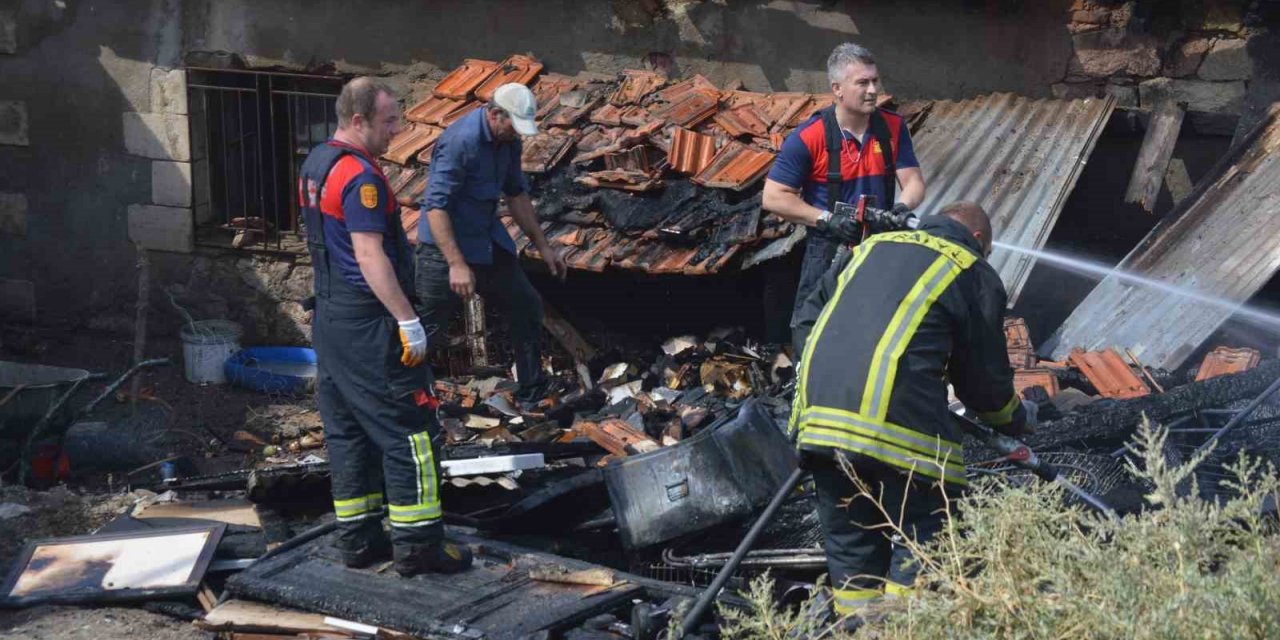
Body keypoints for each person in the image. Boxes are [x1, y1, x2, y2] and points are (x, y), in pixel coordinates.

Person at [789, 202, 1033, 624]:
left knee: (852, 545)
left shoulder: (869, 248)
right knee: (921, 537)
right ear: (979, 241)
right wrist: (1013, 419)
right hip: (900, 436)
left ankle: (858, 630)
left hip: (820, 424)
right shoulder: (970, 269)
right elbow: (984, 382)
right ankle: (906, 628)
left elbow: (805, 321)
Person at [299, 77, 472, 577]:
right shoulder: (362, 180)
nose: (397, 130)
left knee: (348, 432)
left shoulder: (317, 163)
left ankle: (358, 541)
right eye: (389, 121)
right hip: (368, 323)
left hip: (330, 322)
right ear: (358, 121)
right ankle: (419, 548)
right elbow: (369, 255)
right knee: (411, 433)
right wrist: (407, 319)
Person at [416, 83, 566, 409]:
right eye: (513, 126)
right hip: (445, 249)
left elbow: (516, 195)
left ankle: (531, 390)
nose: (516, 134)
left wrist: (543, 245)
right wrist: (456, 264)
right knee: (428, 329)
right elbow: (436, 207)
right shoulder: (461, 142)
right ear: (494, 114)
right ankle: (407, 402)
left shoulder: (508, 141)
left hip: (486, 240)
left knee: (526, 305)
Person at [762, 42, 926, 341]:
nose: (873, 90)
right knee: (816, 332)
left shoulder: (892, 127)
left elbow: (913, 181)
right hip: (827, 252)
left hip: (877, 247)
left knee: (876, 332)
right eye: (862, 83)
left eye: (875, 80)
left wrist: (901, 208)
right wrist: (826, 218)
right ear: (837, 89)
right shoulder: (808, 138)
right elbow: (773, 197)